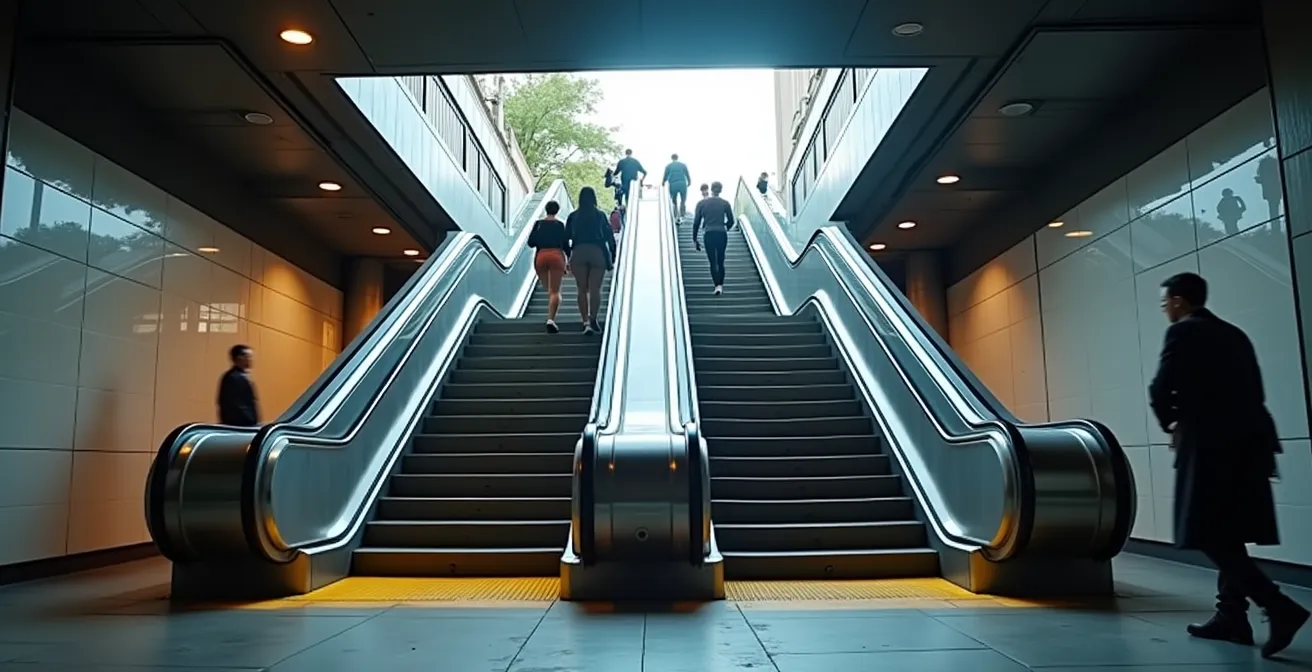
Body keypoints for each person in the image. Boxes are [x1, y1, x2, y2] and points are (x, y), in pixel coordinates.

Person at [1149, 272, 1307, 659]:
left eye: (1165, 302)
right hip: (1252, 443)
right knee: (1230, 529)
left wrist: (1171, 421)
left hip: (1209, 444)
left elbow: (1160, 387)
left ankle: (1278, 606)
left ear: (1180, 302)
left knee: (1206, 532)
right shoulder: (1235, 334)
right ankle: (1231, 617)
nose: (1165, 309)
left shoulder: (1182, 332)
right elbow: (1255, 390)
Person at [565, 187, 616, 335]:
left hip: (579, 251)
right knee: (595, 289)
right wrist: (612, 254)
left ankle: (585, 322)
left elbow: (566, 237)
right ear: (594, 198)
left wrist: (570, 254)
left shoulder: (573, 216)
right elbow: (608, 235)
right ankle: (593, 318)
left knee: (581, 289)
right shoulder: (600, 215)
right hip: (597, 252)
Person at [527, 200, 569, 333]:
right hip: (556, 256)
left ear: (546, 210)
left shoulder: (538, 224)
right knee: (555, 292)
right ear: (557, 211)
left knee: (549, 290)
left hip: (541, 257)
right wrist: (569, 260)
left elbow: (530, 243)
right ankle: (551, 320)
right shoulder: (560, 225)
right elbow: (565, 245)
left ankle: (551, 314)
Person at [692, 181, 735, 295]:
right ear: (720, 190)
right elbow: (731, 221)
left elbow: (696, 222)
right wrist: (726, 227)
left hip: (709, 233)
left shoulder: (701, 203)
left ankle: (717, 286)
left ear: (711, 189)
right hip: (721, 233)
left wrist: (695, 238)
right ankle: (721, 284)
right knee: (721, 260)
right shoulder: (725, 203)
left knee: (712, 261)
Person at [218, 345, 259, 427]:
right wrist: (251, 422)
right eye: (248, 356)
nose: (251, 359)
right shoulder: (234, 378)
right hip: (241, 425)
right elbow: (237, 405)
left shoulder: (235, 376)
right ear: (240, 358)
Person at [662, 153, 691, 219]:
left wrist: (663, 183)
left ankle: (674, 214)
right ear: (677, 158)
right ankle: (682, 214)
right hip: (682, 183)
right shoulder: (683, 165)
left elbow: (665, 176)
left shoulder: (668, 166)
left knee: (674, 200)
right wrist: (689, 182)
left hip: (673, 184)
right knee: (683, 200)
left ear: (671, 158)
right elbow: (687, 174)